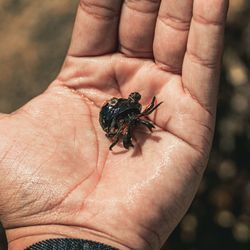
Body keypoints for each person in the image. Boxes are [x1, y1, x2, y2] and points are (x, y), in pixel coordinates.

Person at [0, 0, 229, 249]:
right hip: (116, 119)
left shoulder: (131, 110)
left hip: (118, 116)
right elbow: (133, 120)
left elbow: (140, 114)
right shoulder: (127, 120)